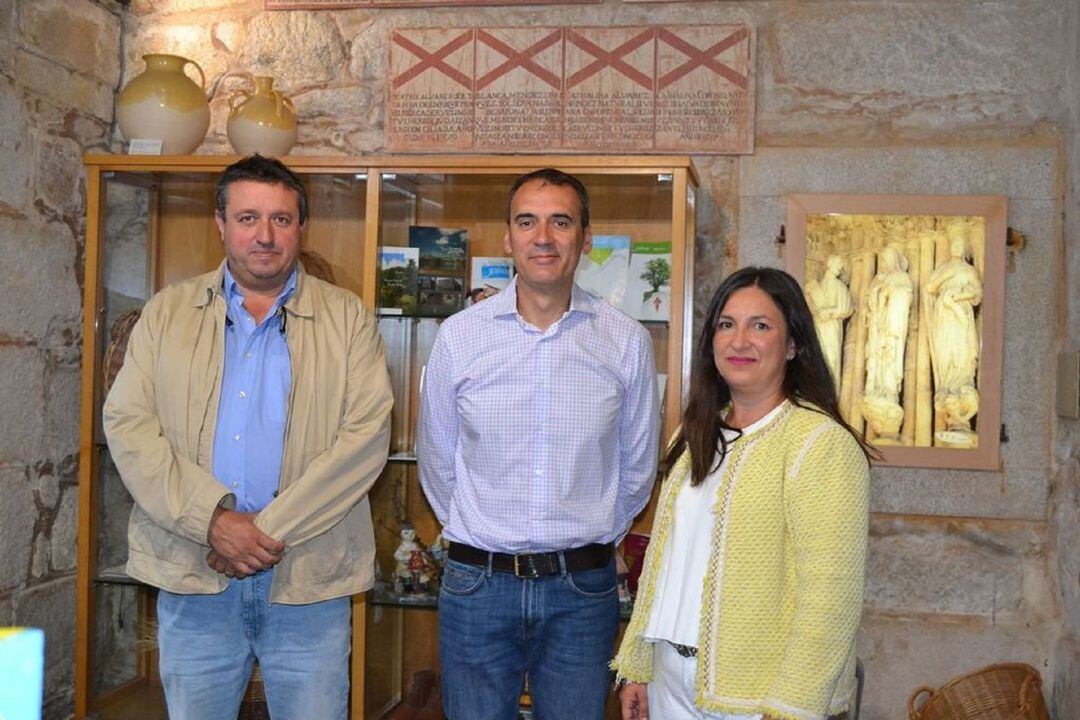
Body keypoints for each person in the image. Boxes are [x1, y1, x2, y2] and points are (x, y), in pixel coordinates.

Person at [103, 155, 393, 719]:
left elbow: (365, 438)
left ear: (300, 227)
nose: (265, 235)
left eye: (281, 220)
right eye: (248, 218)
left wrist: (260, 534)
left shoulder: (349, 319)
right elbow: (129, 425)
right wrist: (212, 521)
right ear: (221, 223)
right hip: (194, 571)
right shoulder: (166, 314)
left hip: (309, 578)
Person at [417, 168, 661, 719]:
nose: (543, 237)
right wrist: (479, 536)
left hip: (582, 591)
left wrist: (587, 543)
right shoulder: (461, 336)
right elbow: (436, 462)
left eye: (560, 222)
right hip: (477, 585)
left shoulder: (625, 342)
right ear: (507, 238)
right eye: (527, 222)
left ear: (585, 238)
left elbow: (637, 468)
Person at [613, 267, 872, 720]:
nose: (740, 341)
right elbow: (665, 565)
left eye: (761, 326)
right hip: (670, 681)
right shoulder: (694, 434)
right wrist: (639, 664)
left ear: (793, 345)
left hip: (758, 698)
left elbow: (831, 600)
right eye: (727, 325)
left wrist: (792, 707)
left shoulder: (819, 444)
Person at [923, 222, 983, 442]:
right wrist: (945, 297)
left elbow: (977, 294)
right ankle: (948, 389)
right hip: (944, 317)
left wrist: (959, 296)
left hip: (961, 317)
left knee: (963, 355)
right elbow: (929, 287)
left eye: (960, 244)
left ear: (965, 249)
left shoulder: (968, 270)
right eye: (954, 244)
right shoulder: (944, 269)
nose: (956, 247)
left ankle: (961, 399)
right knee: (947, 353)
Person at [862, 243, 914, 440]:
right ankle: (875, 389)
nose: (884, 262)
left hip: (892, 330)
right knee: (875, 362)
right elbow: (870, 303)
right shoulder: (878, 279)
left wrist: (889, 294)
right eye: (882, 259)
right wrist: (877, 293)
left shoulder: (902, 279)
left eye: (887, 258)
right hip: (878, 329)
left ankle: (889, 393)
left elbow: (904, 299)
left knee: (890, 362)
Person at [804, 254, 853, 387]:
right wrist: (817, 312)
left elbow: (846, 308)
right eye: (838, 265)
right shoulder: (815, 287)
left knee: (831, 357)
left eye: (841, 266)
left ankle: (831, 394)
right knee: (817, 358)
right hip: (818, 325)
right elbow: (809, 309)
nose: (840, 268)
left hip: (832, 326)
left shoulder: (840, 287)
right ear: (829, 265)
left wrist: (829, 312)